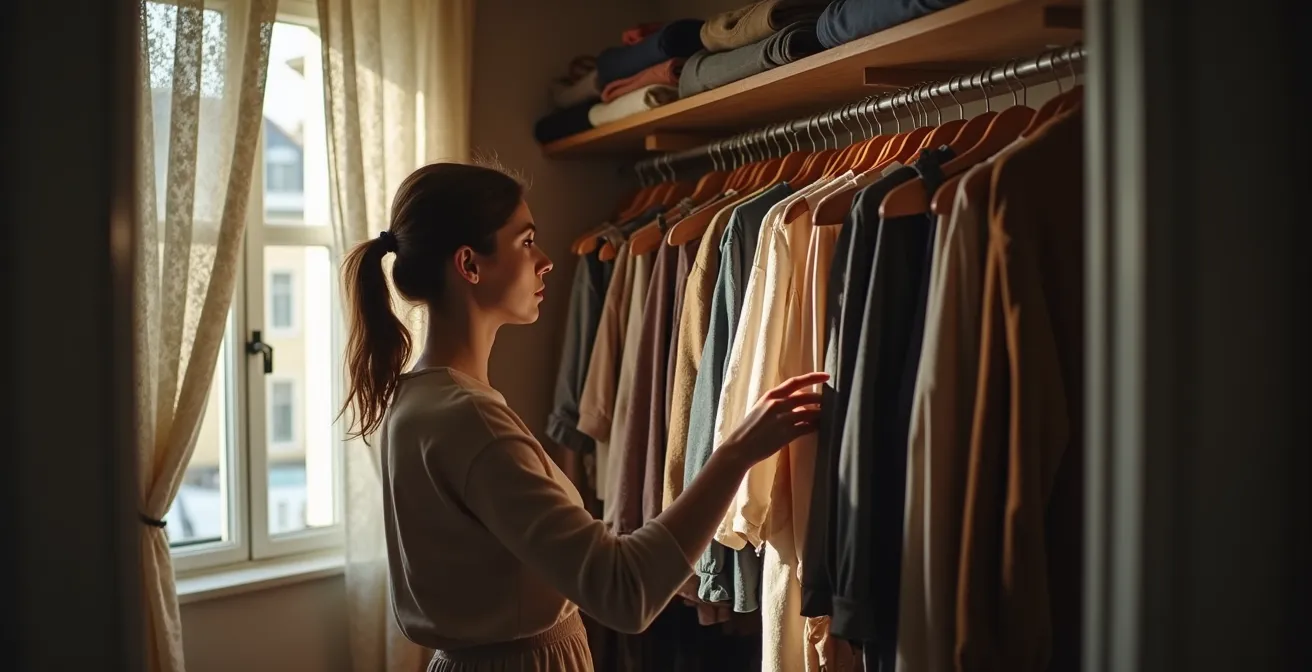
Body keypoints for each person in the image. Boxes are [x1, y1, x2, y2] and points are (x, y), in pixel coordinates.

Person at [340, 162, 826, 672]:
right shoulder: (468, 419)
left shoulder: (417, 400)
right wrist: (736, 453)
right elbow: (624, 591)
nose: (546, 261)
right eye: (525, 242)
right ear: (470, 264)